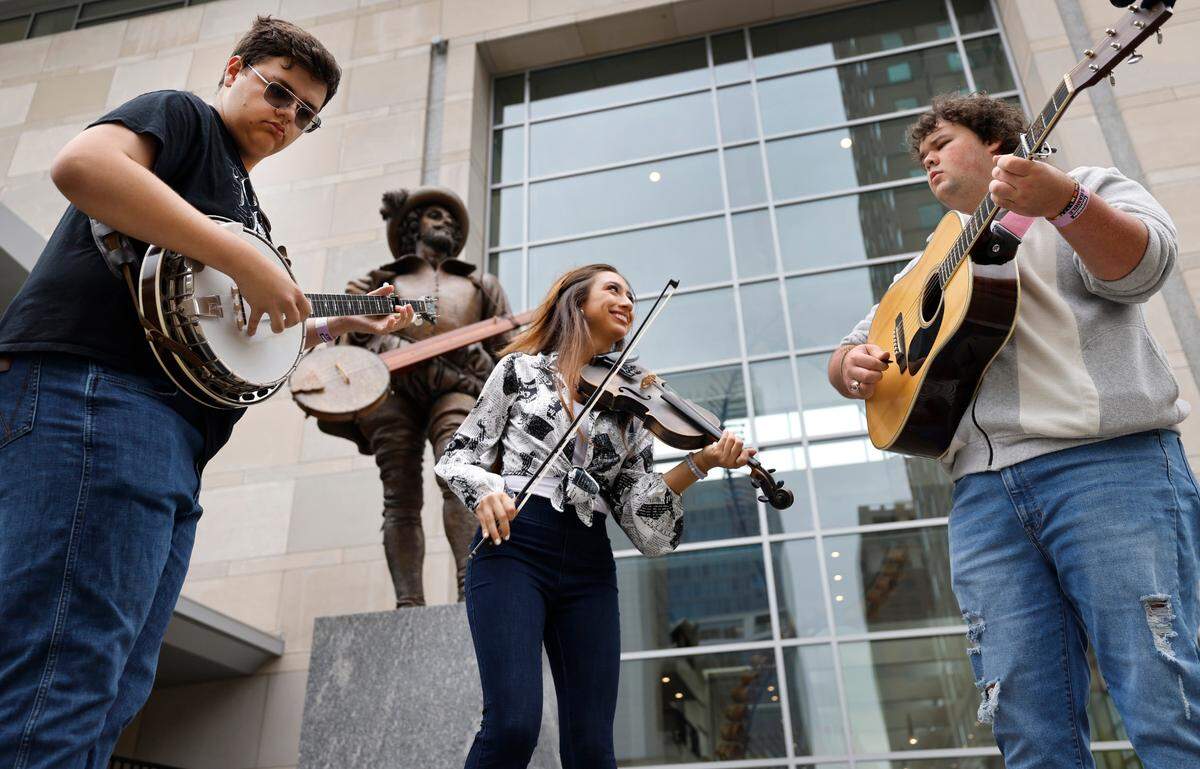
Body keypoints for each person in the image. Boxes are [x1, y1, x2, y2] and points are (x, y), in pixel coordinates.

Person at [0, 16, 412, 768]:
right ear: (233, 69)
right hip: (96, 400)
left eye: (306, 114)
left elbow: (237, 323)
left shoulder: (245, 209)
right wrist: (242, 258)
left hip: (168, 441)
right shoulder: (183, 118)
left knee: (113, 689)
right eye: (279, 92)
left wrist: (334, 319)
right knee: (63, 675)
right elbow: (83, 165)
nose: (288, 117)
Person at [829, 93, 1200, 768]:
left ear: (997, 140)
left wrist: (1065, 203)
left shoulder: (1088, 187)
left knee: (1162, 691)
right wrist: (848, 366)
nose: (929, 160)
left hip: (1106, 464)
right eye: (921, 157)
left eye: (941, 142)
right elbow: (858, 348)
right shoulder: (926, 264)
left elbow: (1145, 269)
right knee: (1024, 720)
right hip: (981, 496)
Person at [435, 264, 753, 768]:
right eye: (613, 289)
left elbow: (642, 520)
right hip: (515, 545)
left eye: (631, 293)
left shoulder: (633, 404)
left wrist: (700, 463)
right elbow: (458, 456)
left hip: (588, 561)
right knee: (514, 726)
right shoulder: (518, 372)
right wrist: (486, 492)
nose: (627, 300)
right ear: (576, 301)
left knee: (592, 748)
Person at [325, 186, 515, 608]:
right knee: (400, 493)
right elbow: (343, 335)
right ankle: (408, 603)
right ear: (412, 227)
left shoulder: (480, 284)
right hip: (393, 390)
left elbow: (511, 350)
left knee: (460, 477)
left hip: (459, 386)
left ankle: (472, 591)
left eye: (449, 218)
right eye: (433, 215)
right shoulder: (381, 281)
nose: (444, 222)